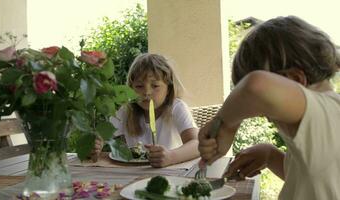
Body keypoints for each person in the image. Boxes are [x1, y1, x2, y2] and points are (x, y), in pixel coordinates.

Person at [198, 16, 340, 199]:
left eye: (265, 110)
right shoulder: (325, 126)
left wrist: (225, 124)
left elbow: (255, 87)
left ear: (296, 80)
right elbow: (310, 180)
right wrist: (269, 155)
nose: (266, 118)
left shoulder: (325, 112)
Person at [93, 53, 200, 167]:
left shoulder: (176, 107)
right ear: (131, 88)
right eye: (139, 86)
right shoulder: (127, 110)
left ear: (169, 88)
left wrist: (171, 156)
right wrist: (96, 144)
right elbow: (102, 135)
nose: (146, 92)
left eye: (155, 86)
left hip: (171, 172)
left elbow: (197, 144)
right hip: (133, 174)